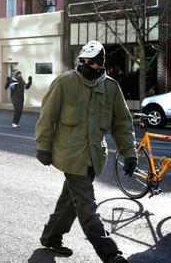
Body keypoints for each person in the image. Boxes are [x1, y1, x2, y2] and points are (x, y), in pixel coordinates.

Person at [35, 41, 136, 263]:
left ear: (100, 65)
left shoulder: (111, 88)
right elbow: (47, 117)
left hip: (94, 157)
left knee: (70, 201)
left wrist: (129, 154)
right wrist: (43, 145)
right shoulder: (65, 82)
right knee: (86, 206)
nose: (85, 66)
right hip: (69, 155)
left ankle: (51, 237)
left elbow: (122, 124)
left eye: (90, 62)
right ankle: (110, 253)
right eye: (82, 61)